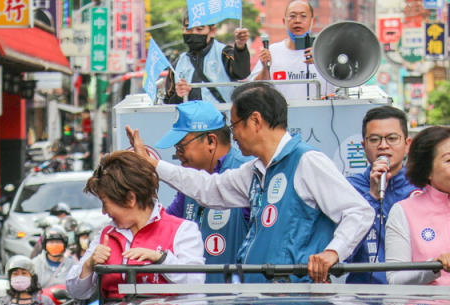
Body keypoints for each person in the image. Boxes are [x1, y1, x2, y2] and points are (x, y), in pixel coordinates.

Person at [126, 82, 373, 283]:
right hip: (261, 298)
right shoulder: (254, 171)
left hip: (297, 300)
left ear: (255, 121)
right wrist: (154, 165)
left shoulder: (306, 162)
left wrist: (333, 252)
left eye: (235, 125)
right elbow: (210, 189)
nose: (233, 135)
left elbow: (358, 212)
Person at [66, 150, 206, 302]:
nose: (104, 212)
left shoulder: (183, 231)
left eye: (106, 203)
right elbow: (75, 292)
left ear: (130, 198)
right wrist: (89, 265)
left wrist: (161, 259)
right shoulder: (106, 235)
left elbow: (195, 285)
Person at [157, 101, 252, 282]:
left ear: (211, 141)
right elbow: (166, 226)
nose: (178, 154)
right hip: (196, 302)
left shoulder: (247, 173)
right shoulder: (189, 185)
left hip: (239, 303)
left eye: (181, 146)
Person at [346, 106, 415, 283]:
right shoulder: (347, 188)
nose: (383, 146)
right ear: (364, 146)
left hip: (412, 293)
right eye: (375, 139)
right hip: (362, 296)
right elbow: (343, 252)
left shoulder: (421, 188)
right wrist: (372, 196)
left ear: (407, 144)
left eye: (392, 138)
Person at [386, 126, 450, 285]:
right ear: (427, 170)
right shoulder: (403, 211)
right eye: (449, 160)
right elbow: (395, 279)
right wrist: (433, 266)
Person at [253, 1, 334, 100]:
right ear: (284, 21)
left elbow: (342, 81)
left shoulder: (325, 52)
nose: (297, 21)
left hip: (320, 113)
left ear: (312, 21)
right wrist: (265, 68)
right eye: (292, 16)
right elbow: (254, 90)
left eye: (303, 16)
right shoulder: (272, 51)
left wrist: (320, 61)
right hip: (282, 114)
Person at [168, 16, 251, 104]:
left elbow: (241, 72)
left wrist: (240, 47)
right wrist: (178, 96)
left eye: (199, 29)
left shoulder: (224, 53)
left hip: (222, 115)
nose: (193, 33)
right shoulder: (178, 63)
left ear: (212, 31)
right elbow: (167, 102)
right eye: (188, 29)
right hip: (188, 116)